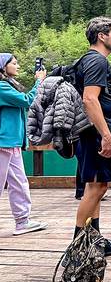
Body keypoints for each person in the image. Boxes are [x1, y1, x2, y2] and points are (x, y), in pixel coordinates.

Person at [74, 17, 111, 256]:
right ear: (102, 36)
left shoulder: (92, 60)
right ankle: (78, 248)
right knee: (96, 187)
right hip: (99, 133)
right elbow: (89, 99)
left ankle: (94, 241)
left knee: (98, 185)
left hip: (99, 131)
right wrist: (106, 135)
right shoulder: (96, 61)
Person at [0, 53, 48, 235]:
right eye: (14, 63)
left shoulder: (8, 86)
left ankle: (22, 221)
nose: (18, 65)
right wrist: (39, 81)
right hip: (3, 142)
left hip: (10, 142)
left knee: (19, 182)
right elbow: (28, 100)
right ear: (3, 67)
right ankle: (22, 220)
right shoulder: (2, 87)